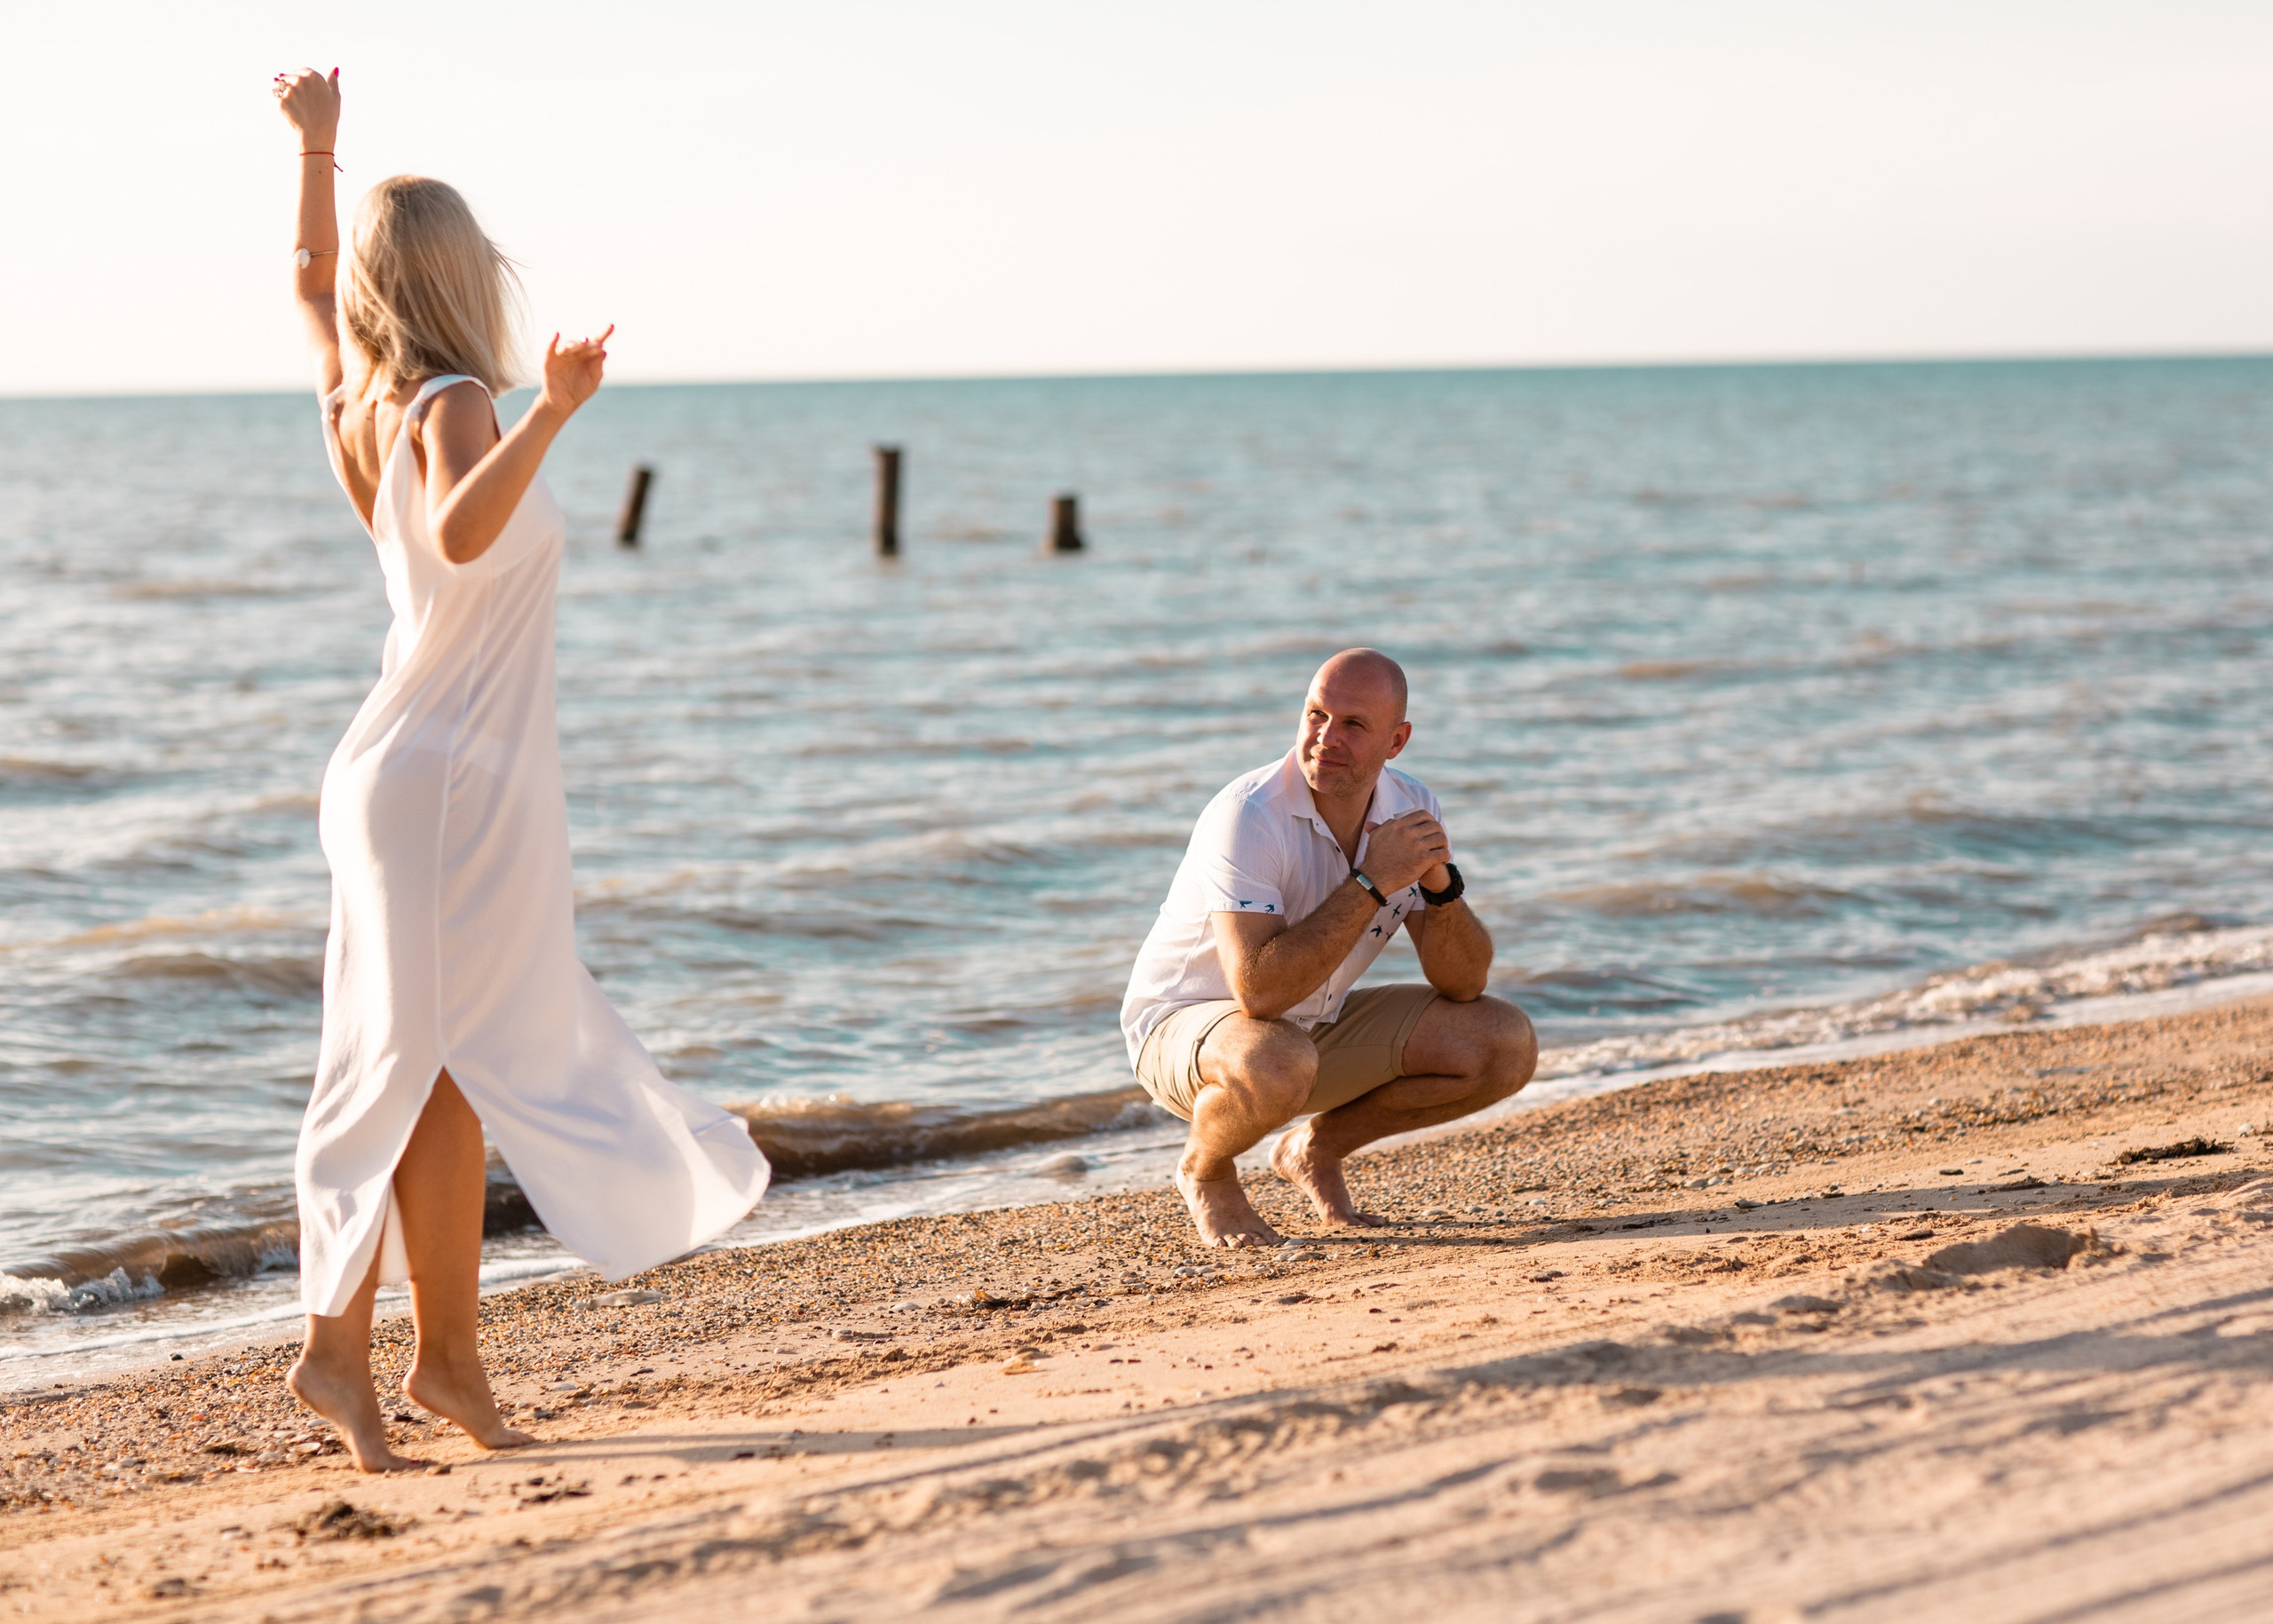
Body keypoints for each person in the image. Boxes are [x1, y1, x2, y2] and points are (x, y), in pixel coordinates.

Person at [272, 67, 770, 1471]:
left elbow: (309, 281)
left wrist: (316, 149)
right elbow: (470, 530)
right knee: (397, 1072)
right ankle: (332, 1348)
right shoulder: (450, 401)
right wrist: (551, 413)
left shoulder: (350, 389)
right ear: (453, 277)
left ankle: (441, 1363)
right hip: (453, 785)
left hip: (402, 771)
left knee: (444, 1070)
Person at [1121, 648, 1537, 1248]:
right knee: (1277, 1057)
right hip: (1183, 1030)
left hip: (1304, 1034)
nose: (1325, 737)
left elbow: (1463, 984)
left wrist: (1439, 887)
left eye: (1353, 725)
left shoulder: (1410, 809)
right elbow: (1260, 991)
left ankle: (1313, 1151)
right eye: (1316, 714)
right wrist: (1370, 881)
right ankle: (1205, 1168)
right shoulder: (1247, 815)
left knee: (1504, 1042)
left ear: (1397, 741)